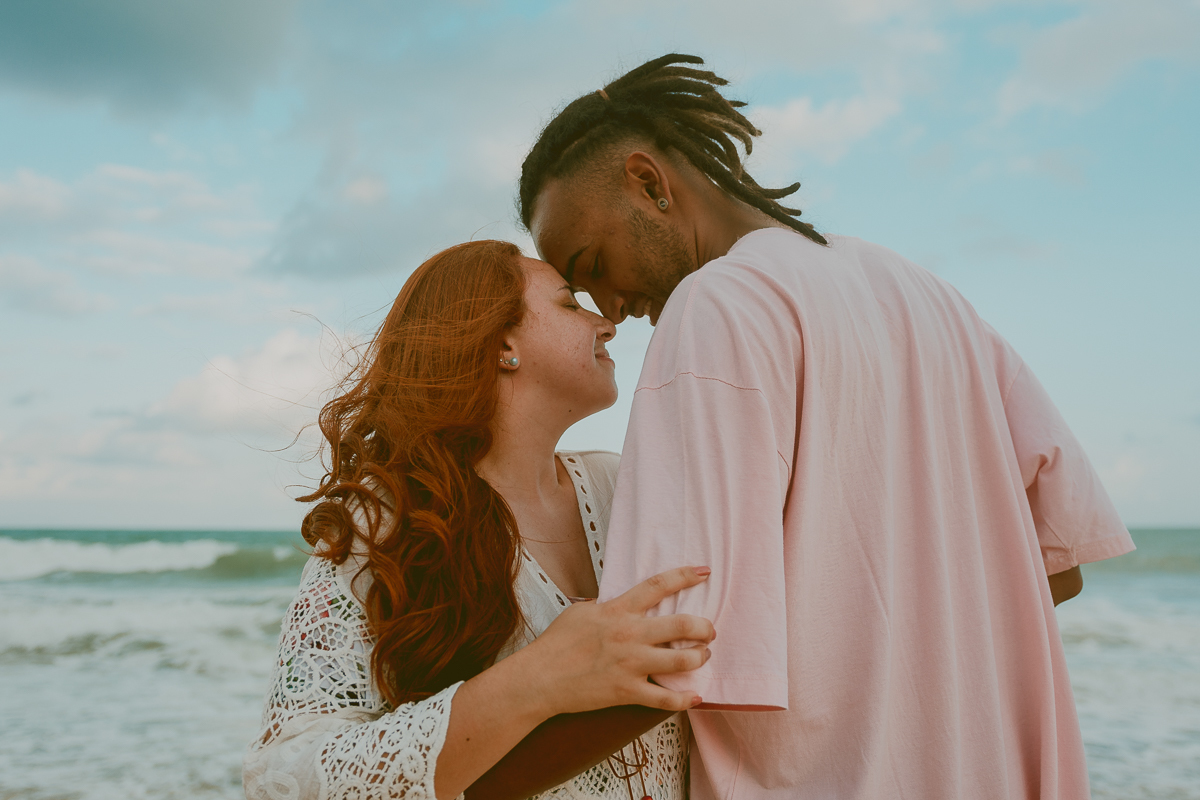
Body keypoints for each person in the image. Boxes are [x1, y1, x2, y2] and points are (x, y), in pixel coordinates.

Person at [504, 54, 1136, 800]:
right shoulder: (930, 296)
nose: (608, 309)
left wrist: (453, 782)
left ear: (648, 182)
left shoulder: (715, 310)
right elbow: (1057, 569)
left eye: (591, 261)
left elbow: (665, 655)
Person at [243, 240, 715, 800]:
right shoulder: (384, 522)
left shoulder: (628, 488)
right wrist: (538, 678)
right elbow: (286, 780)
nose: (606, 324)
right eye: (570, 304)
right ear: (501, 343)